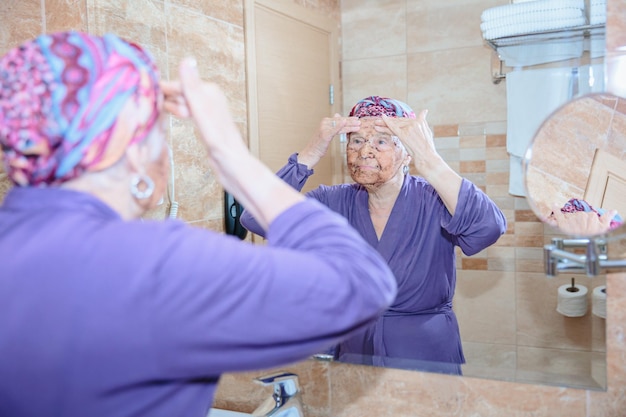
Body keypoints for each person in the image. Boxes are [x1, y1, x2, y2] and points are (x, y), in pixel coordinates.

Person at [0, 32, 398, 417]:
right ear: (130, 145)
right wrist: (230, 152)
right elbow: (360, 285)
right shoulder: (155, 264)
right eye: (157, 128)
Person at [241, 96, 507, 374]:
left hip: (423, 354)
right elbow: (254, 218)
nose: (365, 151)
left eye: (381, 141)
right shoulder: (332, 202)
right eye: (356, 141)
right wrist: (312, 151)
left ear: (407, 153)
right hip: (353, 353)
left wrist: (428, 158)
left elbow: (488, 229)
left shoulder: (435, 200)